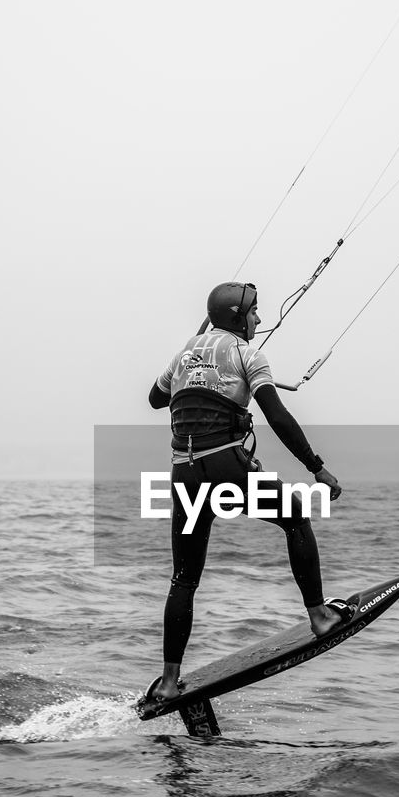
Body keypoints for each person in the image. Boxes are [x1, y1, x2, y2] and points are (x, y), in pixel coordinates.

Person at [144, 281, 347, 704]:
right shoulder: (247, 354)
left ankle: (167, 681)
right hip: (226, 468)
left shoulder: (183, 354)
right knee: (295, 517)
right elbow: (277, 415)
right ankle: (320, 617)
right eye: (254, 312)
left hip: (185, 474)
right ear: (237, 317)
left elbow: (154, 399)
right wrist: (317, 468)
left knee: (184, 578)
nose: (259, 318)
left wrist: (195, 349)